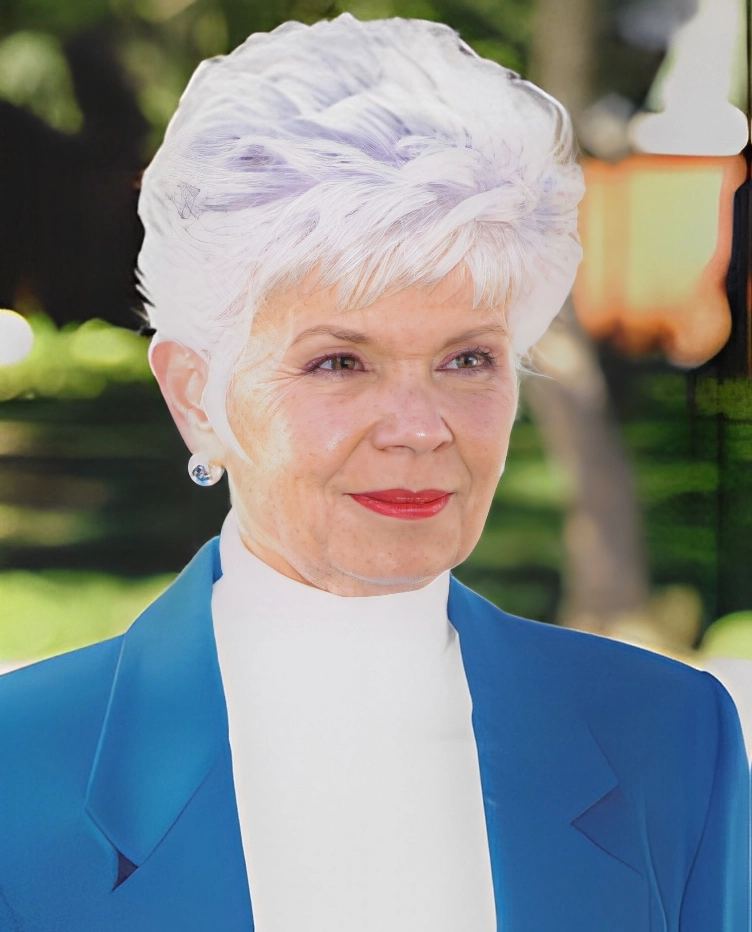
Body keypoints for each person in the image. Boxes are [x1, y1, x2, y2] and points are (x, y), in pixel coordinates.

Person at [0, 14, 748, 932]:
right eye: (339, 363)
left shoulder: (672, 736)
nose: (420, 428)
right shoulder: (18, 763)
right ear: (197, 397)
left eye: (468, 359)